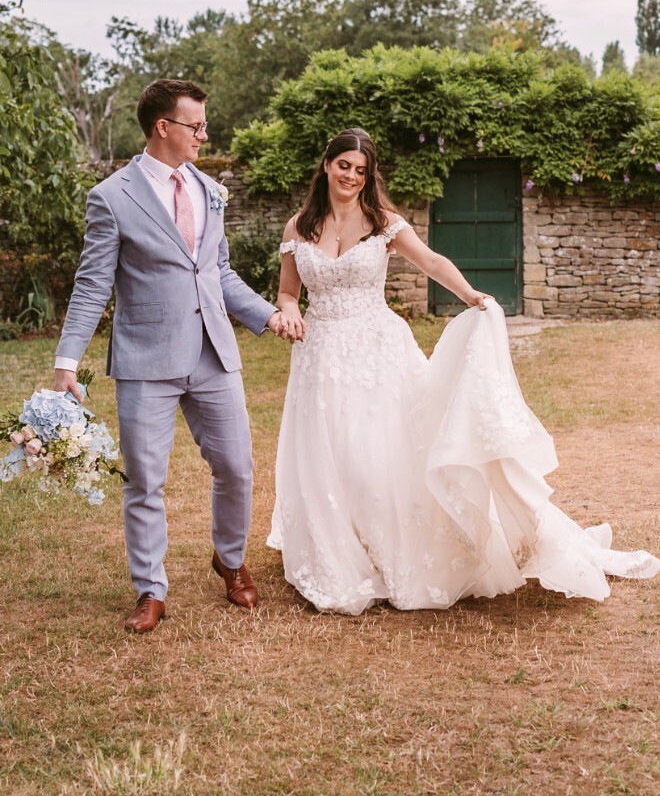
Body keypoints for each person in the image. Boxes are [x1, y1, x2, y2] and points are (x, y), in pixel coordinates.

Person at [267, 127, 660, 615]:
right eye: (344, 165)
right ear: (327, 165)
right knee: (331, 452)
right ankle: (342, 546)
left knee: (381, 451)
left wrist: (470, 294)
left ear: (369, 176)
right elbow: (288, 291)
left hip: (377, 351)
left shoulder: (383, 223)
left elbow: (431, 261)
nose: (350, 175)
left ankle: (394, 547)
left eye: (360, 170)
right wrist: (290, 312)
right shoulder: (299, 227)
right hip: (320, 355)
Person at [54, 79, 294, 632]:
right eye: (196, 125)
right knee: (144, 480)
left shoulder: (210, 189)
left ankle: (230, 560)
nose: (204, 135)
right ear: (163, 127)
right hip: (146, 360)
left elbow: (218, 271)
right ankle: (150, 588)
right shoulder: (111, 196)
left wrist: (266, 315)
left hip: (214, 353)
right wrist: (66, 361)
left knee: (237, 467)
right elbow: (92, 284)